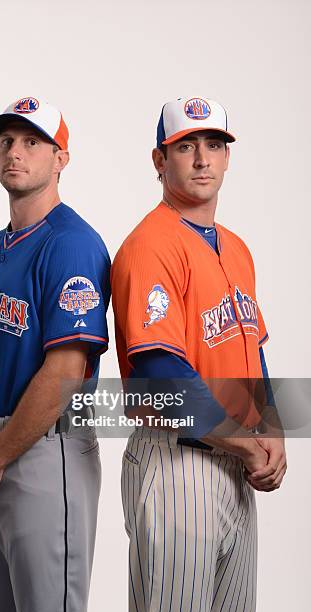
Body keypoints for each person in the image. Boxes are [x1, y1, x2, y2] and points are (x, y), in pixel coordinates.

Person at [111, 96, 287, 612]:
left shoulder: (236, 247)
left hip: (236, 462)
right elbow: (161, 373)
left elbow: (251, 349)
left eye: (214, 145)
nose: (203, 159)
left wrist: (272, 427)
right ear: (159, 160)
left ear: (229, 158)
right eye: (185, 146)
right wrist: (248, 446)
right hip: (176, 464)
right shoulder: (150, 245)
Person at [0, 96, 110, 612]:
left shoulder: (72, 244)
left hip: (44, 457)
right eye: (7, 141)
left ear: (61, 157)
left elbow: (66, 371)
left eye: (33, 142)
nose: (15, 152)